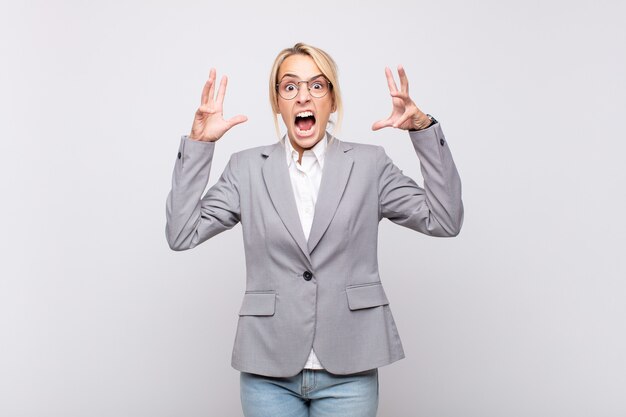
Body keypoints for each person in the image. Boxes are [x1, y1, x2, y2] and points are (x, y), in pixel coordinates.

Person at [166, 42, 463, 417]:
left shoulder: (370, 165)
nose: (303, 96)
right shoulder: (245, 169)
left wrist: (422, 129)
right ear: (277, 102)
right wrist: (199, 145)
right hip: (268, 368)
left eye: (317, 86)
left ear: (332, 100)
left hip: (350, 366)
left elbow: (445, 219)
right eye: (290, 87)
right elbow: (181, 232)